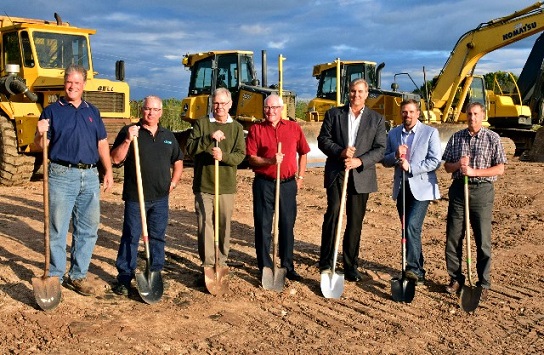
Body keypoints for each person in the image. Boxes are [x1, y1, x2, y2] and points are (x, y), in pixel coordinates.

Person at [33, 64, 114, 296]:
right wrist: (40, 133)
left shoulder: (92, 111)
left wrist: (107, 171)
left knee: (88, 229)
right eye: (69, 82)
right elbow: (41, 147)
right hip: (61, 174)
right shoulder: (51, 111)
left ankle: (78, 276)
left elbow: (101, 143)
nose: (73, 86)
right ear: (64, 83)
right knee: (57, 227)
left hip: (89, 175)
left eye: (77, 83)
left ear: (84, 85)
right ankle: (55, 276)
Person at [110, 95, 184, 296]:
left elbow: (178, 161)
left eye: (155, 110)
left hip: (160, 198)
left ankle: (155, 273)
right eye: (147, 109)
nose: (150, 113)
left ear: (161, 113)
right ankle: (124, 278)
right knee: (131, 236)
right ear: (142, 110)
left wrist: (174, 182)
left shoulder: (168, 135)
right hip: (136, 197)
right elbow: (115, 159)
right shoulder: (130, 131)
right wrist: (127, 139)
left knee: (157, 237)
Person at [317, 78, 387, 282]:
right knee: (334, 214)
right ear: (348, 92)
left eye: (360, 91)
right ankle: (326, 262)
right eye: (352, 91)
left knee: (355, 221)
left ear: (366, 94)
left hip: (361, 174)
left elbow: (381, 149)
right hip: (337, 172)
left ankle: (350, 266)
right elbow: (323, 140)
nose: (356, 95)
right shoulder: (334, 114)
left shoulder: (377, 119)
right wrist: (341, 152)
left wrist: (359, 161)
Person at [442, 101, 506, 302]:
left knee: (482, 239)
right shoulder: (457, 137)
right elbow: (447, 167)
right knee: (453, 237)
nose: (472, 118)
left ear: (483, 115)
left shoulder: (492, 138)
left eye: (476, 114)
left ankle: (483, 283)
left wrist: (474, 172)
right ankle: (456, 278)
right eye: (469, 114)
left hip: (482, 191)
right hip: (459, 190)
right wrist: (457, 165)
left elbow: (500, 168)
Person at [246, 94, 311, 282]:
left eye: (274, 108)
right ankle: (265, 265)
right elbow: (251, 158)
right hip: (264, 183)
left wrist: (300, 177)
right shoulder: (256, 129)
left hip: (287, 184)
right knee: (263, 225)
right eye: (267, 108)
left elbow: (304, 153)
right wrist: (270, 161)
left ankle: (287, 266)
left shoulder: (293, 128)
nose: (270, 111)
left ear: (281, 109)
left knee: (287, 225)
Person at [186, 88, 246, 284]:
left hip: (226, 186)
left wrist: (224, 157)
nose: (219, 107)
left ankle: (222, 261)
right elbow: (190, 149)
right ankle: (208, 264)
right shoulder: (202, 124)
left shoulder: (236, 127)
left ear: (230, 105)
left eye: (223, 103)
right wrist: (208, 138)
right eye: (216, 103)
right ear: (212, 104)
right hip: (204, 184)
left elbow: (240, 155)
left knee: (223, 225)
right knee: (205, 225)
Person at [382, 99, 441, 286]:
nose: (407, 115)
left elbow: (435, 161)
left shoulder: (430, 132)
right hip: (401, 188)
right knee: (407, 229)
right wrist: (395, 156)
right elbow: (384, 159)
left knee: (411, 226)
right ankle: (418, 269)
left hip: (422, 188)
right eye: (404, 112)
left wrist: (411, 167)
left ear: (418, 113)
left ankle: (413, 269)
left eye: (411, 112)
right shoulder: (393, 133)